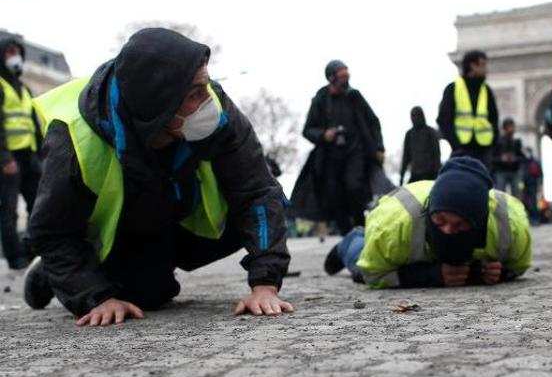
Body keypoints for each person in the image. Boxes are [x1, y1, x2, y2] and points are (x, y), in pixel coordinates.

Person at [24, 28, 293, 326]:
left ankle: (104, 270)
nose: (208, 99)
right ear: (158, 108)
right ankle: (60, 272)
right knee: (147, 295)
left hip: (177, 213)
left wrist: (265, 284)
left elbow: (257, 191)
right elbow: (52, 231)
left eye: (205, 84)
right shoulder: (73, 138)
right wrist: (95, 297)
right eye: (194, 93)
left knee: (270, 206)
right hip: (122, 230)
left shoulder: (216, 108)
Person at [323, 157, 531, 288]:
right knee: (360, 265)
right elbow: (372, 273)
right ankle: (349, 242)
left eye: (459, 225)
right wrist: (429, 275)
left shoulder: (510, 224)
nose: (448, 231)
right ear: (430, 211)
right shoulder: (391, 227)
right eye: (440, 221)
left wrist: (502, 272)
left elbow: (520, 265)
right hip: (389, 228)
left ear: (480, 222)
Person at [291, 60, 385, 235]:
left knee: (354, 188)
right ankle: (348, 235)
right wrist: (323, 134)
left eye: (346, 75)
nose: (345, 79)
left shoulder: (355, 96)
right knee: (334, 196)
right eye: (342, 75)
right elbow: (307, 130)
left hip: (356, 153)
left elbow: (373, 122)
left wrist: (379, 147)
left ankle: (362, 229)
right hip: (330, 158)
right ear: (331, 78)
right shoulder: (320, 99)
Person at [0, 36, 42, 270]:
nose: (14, 56)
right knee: (8, 210)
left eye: (16, 52)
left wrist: (43, 154)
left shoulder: (24, 89)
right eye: (9, 52)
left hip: (30, 156)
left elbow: (33, 124)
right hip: (9, 159)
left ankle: (33, 251)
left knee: (38, 205)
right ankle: (15, 258)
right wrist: (4, 157)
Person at [437, 50, 499, 170]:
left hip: (484, 151)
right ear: (472, 66)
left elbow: (494, 119)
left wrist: (493, 146)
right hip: (462, 150)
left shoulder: (486, 91)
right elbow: (443, 119)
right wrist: (456, 145)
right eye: (483, 65)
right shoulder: (453, 89)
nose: (486, 69)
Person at [400, 106, 441, 185]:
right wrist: (401, 176)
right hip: (415, 175)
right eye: (412, 116)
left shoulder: (430, 132)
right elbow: (406, 157)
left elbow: (436, 155)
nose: (414, 118)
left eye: (416, 115)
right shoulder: (409, 134)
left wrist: (437, 174)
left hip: (430, 175)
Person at [492, 117, 525, 198]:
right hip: (501, 171)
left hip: (514, 171)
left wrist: (515, 158)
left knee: (517, 195)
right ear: (504, 128)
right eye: (509, 127)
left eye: (512, 127)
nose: (511, 129)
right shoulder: (497, 142)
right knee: (500, 195)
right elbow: (491, 158)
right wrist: (502, 159)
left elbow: (522, 158)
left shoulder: (517, 142)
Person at [521, 147, 543, 225]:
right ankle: (528, 219)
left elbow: (540, 174)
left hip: (533, 184)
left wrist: (540, 185)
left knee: (533, 202)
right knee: (524, 202)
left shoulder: (535, 162)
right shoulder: (523, 162)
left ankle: (535, 219)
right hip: (524, 184)